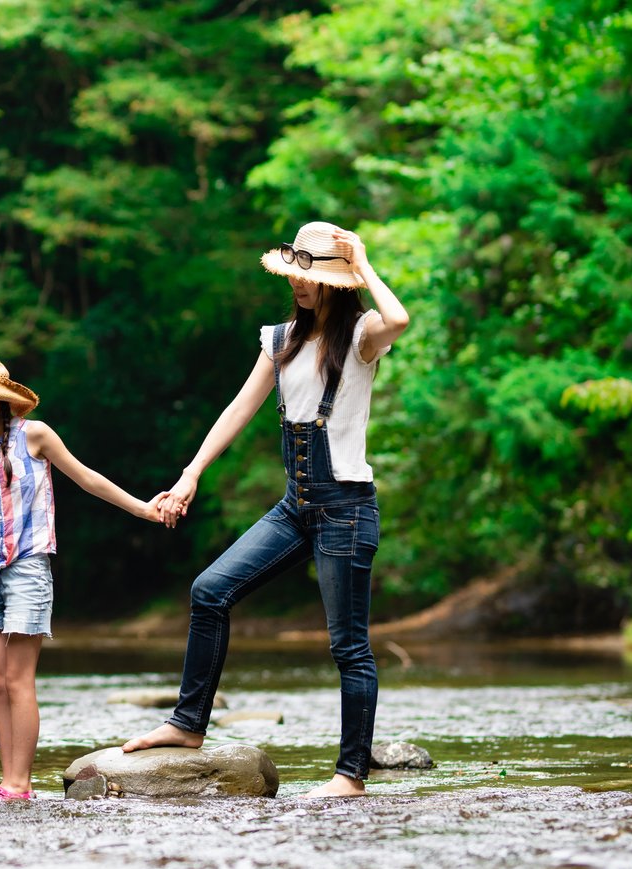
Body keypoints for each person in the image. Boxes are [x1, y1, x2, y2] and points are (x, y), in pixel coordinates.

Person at [123, 222, 411, 798]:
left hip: (345, 509)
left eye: (310, 277)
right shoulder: (280, 340)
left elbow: (400, 319)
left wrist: (364, 263)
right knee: (210, 591)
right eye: (294, 275)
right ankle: (187, 724)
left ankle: (351, 775)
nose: (298, 286)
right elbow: (237, 409)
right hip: (295, 506)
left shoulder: (362, 336)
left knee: (348, 646)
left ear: (336, 281)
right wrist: (190, 474)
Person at [0, 357, 167, 800]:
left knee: (19, 680)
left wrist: (142, 508)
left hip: (28, 567)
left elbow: (87, 479)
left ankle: (19, 784)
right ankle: (9, 780)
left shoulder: (35, 434)